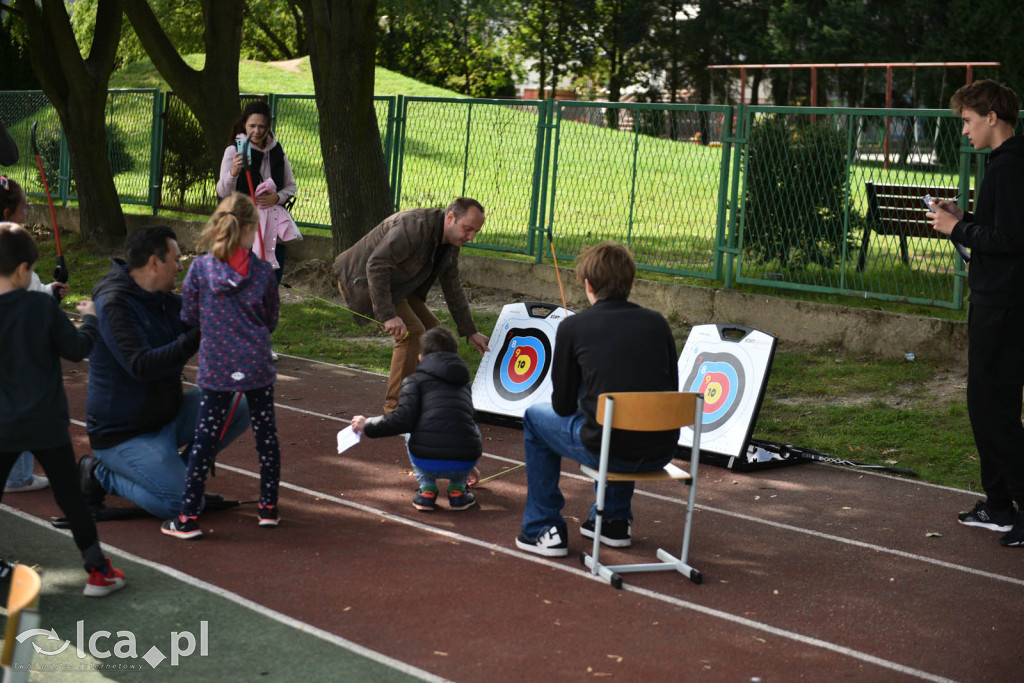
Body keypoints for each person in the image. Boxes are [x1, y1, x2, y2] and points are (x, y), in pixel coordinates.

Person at [515, 241, 679, 557]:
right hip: (661, 449)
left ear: (588, 285)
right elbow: (667, 388)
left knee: (535, 418)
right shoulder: (658, 323)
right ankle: (613, 520)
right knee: (624, 410)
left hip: (611, 449)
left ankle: (541, 526)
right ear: (631, 283)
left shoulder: (574, 326)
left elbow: (561, 405)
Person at [81, 225, 251, 520]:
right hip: (123, 434)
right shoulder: (113, 305)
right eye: (176, 258)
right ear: (154, 262)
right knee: (184, 506)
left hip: (165, 418)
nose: (181, 265)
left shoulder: (161, 298)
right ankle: (99, 474)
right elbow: (142, 366)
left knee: (239, 402)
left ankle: (180, 478)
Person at [0, 223, 126, 596]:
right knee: (71, 498)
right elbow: (76, 348)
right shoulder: (40, 305)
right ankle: (98, 571)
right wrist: (90, 318)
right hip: (46, 423)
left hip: (3, 424)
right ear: (24, 269)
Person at [929, 79, 1024, 548]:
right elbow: (1003, 231)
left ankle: (1014, 505)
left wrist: (957, 229)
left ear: (992, 116)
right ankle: (999, 504)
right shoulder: (1006, 165)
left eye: (968, 120)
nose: (964, 130)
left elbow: (1010, 241)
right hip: (998, 301)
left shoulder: (1009, 167)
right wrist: (962, 222)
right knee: (986, 406)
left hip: (1003, 306)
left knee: (995, 410)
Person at [161, 193, 281, 539]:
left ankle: (187, 517)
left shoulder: (200, 269)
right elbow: (270, 319)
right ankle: (268, 507)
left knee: (204, 439)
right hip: (256, 365)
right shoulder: (262, 273)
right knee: (266, 437)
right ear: (249, 230)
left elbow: (188, 315)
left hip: (216, 366)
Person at [332, 197, 490, 415]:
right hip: (362, 281)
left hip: (397, 284)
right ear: (451, 217)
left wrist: (470, 331)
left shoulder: (451, 242)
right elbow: (377, 265)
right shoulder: (414, 226)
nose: (471, 237)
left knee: (435, 333)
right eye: (468, 229)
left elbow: (452, 286)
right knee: (413, 333)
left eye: (475, 232)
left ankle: (429, 396)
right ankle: (397, 409)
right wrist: (388, 315)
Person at [351, 327, 482, 512]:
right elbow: (465, 425)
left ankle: (427, 489)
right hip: (464, 460)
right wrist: (469, 465)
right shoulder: (463, 384)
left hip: (426, 461)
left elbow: (403, 420)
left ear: (421, 357)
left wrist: (368, 424)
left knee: (413, 427)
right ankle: (458, 491)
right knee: (467, 423)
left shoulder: (414, 381)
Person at [1, 175, 68, 493]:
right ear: (7, 213)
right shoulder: (11, 248)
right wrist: (48, 295)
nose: (27, 214)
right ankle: (17, 476)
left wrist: (47, 290)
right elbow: (24, 296)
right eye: (23, 208)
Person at [215, 101, 299, 285]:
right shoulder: (234, 151)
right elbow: (222, 191)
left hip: (272, 229)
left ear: (268, 126)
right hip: (243, 227)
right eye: (252, 126)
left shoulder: (278, 151)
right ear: (244, 124)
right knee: (243, 283)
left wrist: (277, 197)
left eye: (262, 126)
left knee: (269, 285)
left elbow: (291, 187)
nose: (257, 131)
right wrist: (234, 173)